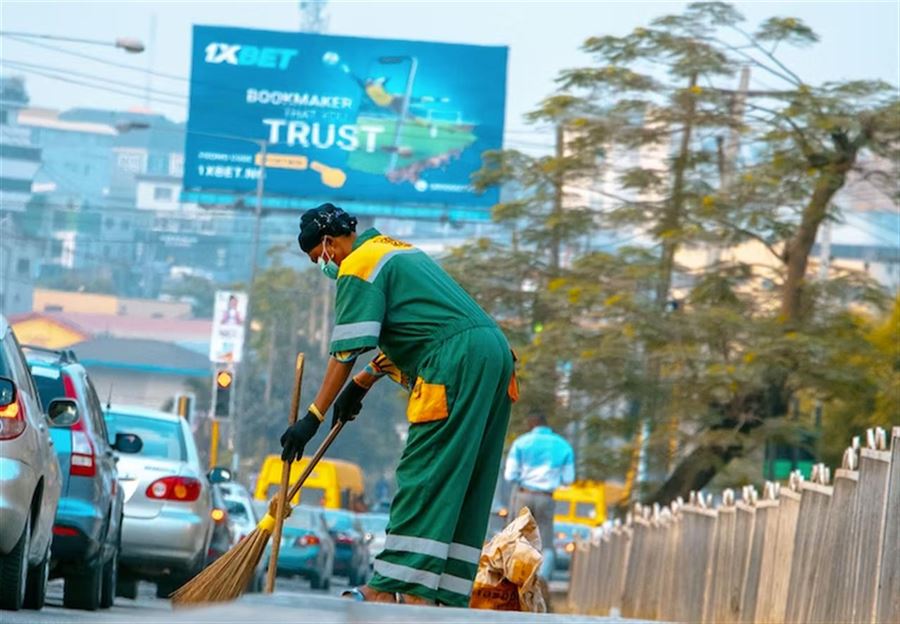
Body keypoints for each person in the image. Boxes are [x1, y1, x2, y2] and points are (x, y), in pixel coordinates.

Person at [280, 203, 518, 607]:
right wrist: (363, 384)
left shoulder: (358, 264)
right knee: (466, 478)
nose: (324, 265)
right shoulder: (396, 250)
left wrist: (313, 417)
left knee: (425, 471)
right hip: (494, 355)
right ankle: (445, 592)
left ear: (328, 243)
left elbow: (345, 352)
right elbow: (421, 327)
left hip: (455, 361)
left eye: (318, 258)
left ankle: (398, 585)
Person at [503, 411, 575, 579]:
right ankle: (541, 577)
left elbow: (510, 475)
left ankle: (514, 573)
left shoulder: (521, 442)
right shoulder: (563, 445)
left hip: (523, 495)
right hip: (546, 497)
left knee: (519, 534)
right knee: (545, 538)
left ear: (531, 425)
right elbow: (568, 479)